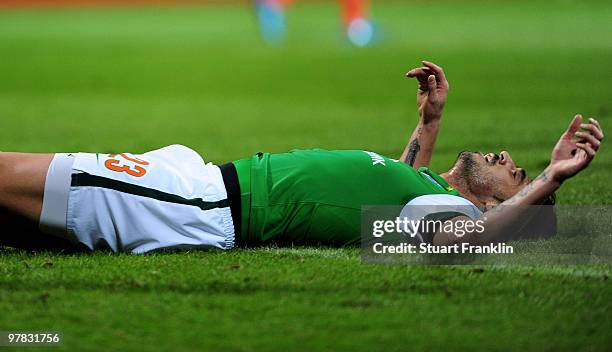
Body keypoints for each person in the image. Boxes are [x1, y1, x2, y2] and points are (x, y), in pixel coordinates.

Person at [0, 61, 603, 253]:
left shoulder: (445, 215)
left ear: (496, 201)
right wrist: (429, 121)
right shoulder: (420, 184)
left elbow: (458, 239)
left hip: (200, 203)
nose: (506, 157)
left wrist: (549, 180)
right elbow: (394, 183)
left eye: (513, 172)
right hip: (196, 179)